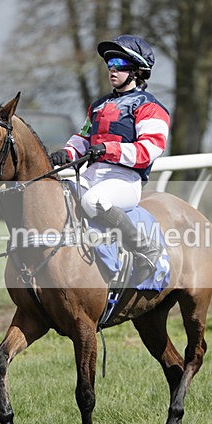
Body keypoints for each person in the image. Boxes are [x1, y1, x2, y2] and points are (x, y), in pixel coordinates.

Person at [50, 34, 170, 282]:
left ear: (137, 71)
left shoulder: (150, 107)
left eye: (119, 63)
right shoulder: (98, 105)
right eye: (109, 63)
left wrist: (108, 149)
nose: (112, 69)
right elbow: (83, 138)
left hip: (125, 180)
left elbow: (149, 150)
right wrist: (67, 153)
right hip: (92, 175)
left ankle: (145, 248)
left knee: (92, 201)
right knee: (57, 194)